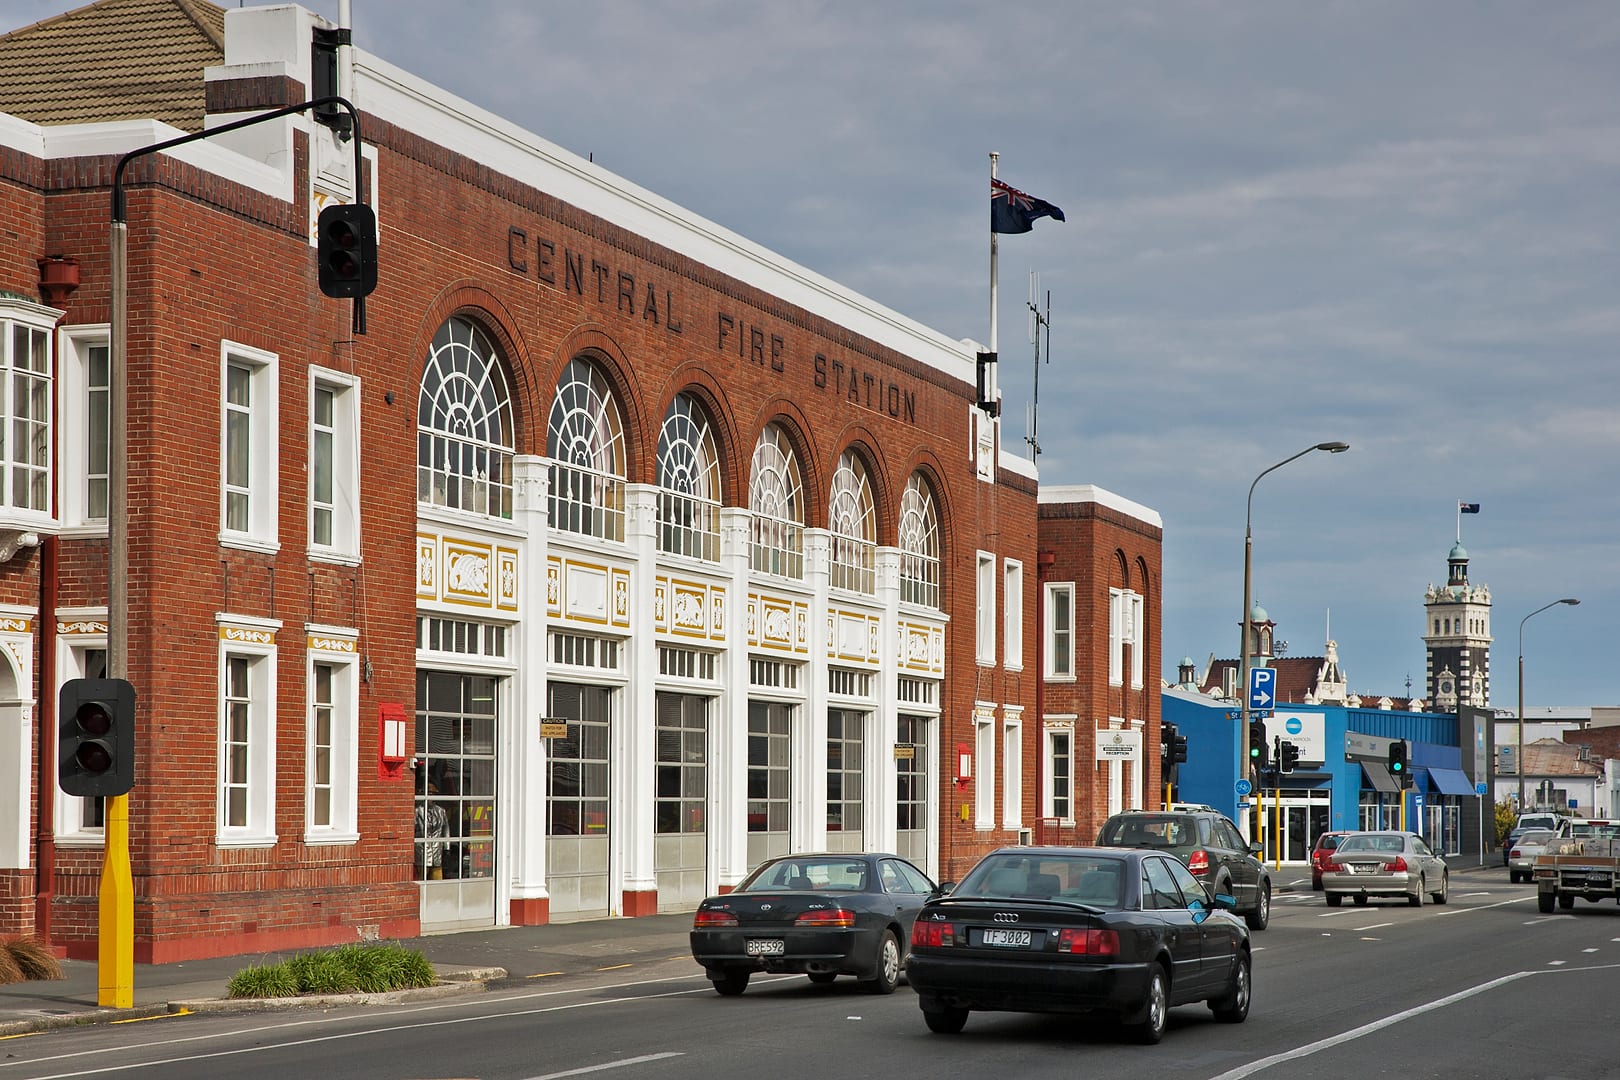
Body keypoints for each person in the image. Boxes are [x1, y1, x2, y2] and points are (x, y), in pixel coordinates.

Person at [414, 766, 449, 880]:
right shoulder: (417, 811)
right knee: (421, 879)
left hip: (436, 852)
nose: (431, 797)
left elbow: (446, 830)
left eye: (433, 794)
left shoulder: (441, 811)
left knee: (437, 879)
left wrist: (447, 848)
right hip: (421, 852)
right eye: (428, 793)